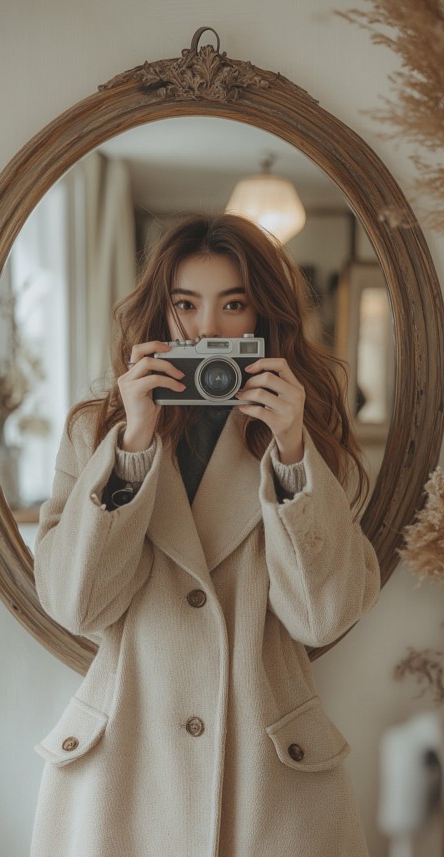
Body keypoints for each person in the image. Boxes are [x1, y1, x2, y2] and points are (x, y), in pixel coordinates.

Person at [31, 213, 381, 857]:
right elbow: (76, 605)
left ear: (262, 320)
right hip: (125, 776)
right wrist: (132, 445)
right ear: (160, 314)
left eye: (233, 305)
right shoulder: (96, 430)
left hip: (267, 786)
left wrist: (294, 449)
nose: (209, 331)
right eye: (185, 305)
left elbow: (322, 616)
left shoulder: (310, 428)